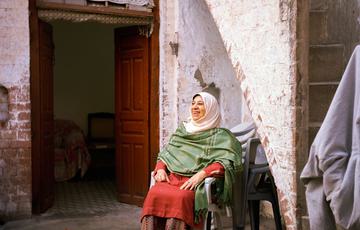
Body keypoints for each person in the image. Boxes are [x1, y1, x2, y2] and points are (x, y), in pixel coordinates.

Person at [141, 92, 242, 229]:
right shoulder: (183, 131)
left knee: (180, 198)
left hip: (195, 185)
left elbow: (226, 162)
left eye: (200, 104)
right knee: (154, 193)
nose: (195, 107)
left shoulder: (221, 136)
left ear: (211, 109)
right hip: (172, 179)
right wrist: (160, 168)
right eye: (193, 103)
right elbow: (167, 153)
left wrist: (202, 174)